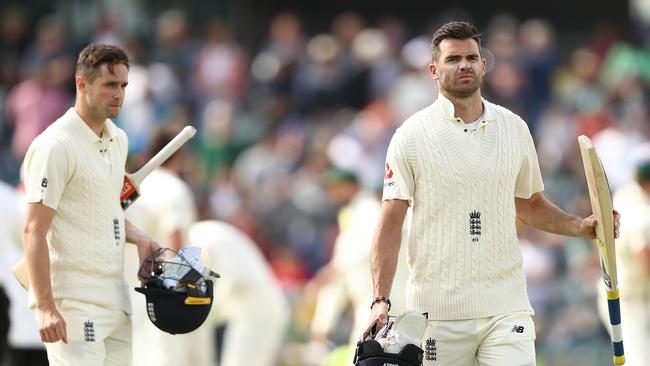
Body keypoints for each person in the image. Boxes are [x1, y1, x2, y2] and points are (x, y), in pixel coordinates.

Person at [366, 21, 620, 366]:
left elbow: (528, 203)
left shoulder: (514, 128)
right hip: (437, 313)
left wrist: (580, 226)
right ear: (433, 71)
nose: (464, 65)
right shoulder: (410, 136)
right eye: (453, 59)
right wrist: (380, 298)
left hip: (506, 307)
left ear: (484, 65)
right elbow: (391, 221)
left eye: (472, 57)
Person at [21, 44, 159, 365]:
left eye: (123, 85)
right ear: (81, 84)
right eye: (110, 85)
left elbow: (103, 210)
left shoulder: (118, 139)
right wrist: (44, 306)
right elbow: (33, 230)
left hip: (116, 300)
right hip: (75, 304)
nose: (119, 94)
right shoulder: (55, 146)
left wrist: (139, 236)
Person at [123, 125, 212, 366]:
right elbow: (175, 237)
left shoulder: (135, 189)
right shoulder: (175, 189)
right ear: (181, 157)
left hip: (134, 287)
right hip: (168, 293)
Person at [188, 220, 289, 366]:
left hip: (259, 313)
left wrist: (208, 312)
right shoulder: (206, 234)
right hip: (250, 313)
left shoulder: (205, 237)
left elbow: (235, 278)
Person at [597, 160, 650, 366]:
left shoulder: (626, 192)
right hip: (625, 300)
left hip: (640, 296)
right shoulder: (639, 214)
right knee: (640, 362)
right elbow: (645, 259)